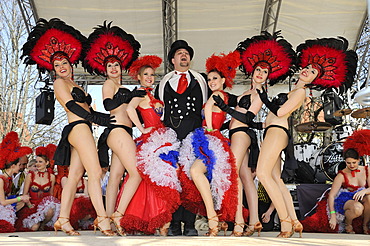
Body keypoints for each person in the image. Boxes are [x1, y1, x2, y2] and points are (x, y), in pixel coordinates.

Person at [256, 36, 357, 238]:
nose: (307, 71)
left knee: (262, 173)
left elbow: (282, 111)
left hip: (277, 132)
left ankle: (284, 223)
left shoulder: (301, 92)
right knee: (276, 178)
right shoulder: (295, 90)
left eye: (313, 72)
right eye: (308, 67)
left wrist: (263, 96)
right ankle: (294, 221)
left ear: (314, 80)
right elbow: (275, 114)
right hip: (274, 130)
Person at [22, 18, 115, 236]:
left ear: (71, 63)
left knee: (74, 177)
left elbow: (85, 107)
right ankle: (102, 219)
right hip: (78, 128)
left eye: (64, 63)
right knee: (94, 173)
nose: (62, 67)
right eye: (57, 65)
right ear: (52, 69)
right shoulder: (59, 83)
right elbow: (71, 105)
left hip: (83, 127)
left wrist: (101, 117)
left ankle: (63, 219)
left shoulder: (74, 83)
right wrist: (97, 119)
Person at [83, 21, 143, 236]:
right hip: (116, 130)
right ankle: (118, 214)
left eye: (116, 65)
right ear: (105, 70)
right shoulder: (109, 84)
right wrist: (127, 96)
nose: (113, 68)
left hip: (123, 132)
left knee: (116, 177)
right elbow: (108, 105)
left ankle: (107, 219)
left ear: (122, 67)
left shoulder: (122, 86)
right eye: (109, 66)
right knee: (136, 174)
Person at [115, 55, 181, 235]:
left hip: (162, 139)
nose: (150, 77)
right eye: (146, 74)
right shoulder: (141, 92)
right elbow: (130, 109)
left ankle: (159, 219)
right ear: (139, 77)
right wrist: (142, 129)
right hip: (151, 140)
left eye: (152, 75)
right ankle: (128, 215)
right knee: (151, 181)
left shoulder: (151, 94)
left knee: (157, 181)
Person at [179, 51, 240, 236]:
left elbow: (206, 108)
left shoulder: (216, 96)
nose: (211, 82)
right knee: (208, 178)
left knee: (195, 171)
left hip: (210, 139)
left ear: (223, 80)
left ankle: (213, 218)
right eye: (209, 79)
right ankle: (216, 218)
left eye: (215, 78)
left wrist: (211, 129)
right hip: (213, 139)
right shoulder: (225, 97)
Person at [155, 40, 208, 236]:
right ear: (173, 59)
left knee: (191, 179)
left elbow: (207, 108)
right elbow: (158, 111)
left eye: (186, 53)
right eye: (179, 53)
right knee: (175, 179)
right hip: (173, 134)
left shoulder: (200, 80)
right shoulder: (165, 82)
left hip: (194, 134)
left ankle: (191, 223)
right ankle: (175, 223)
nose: (183, 56)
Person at [329, 129, 370, 234]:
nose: (351, 165)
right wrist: (333, 215)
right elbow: (331, 196)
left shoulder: (366, 170)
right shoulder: (341, 175)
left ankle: (365, 225)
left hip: (363, 198)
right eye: (348, 163)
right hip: (348, 201)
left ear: (359, 160)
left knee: (369, 197)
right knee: (357, 208)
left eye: (354, 162)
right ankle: (348, 223)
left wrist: (364, 191)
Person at [17, 144, 60, 231]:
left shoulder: (51, 176)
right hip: (32, 206)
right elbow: (25, 194)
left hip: (45, 207)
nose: (37, 164)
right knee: (34, 227)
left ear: (47, 163)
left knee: (50, 210)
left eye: (40, 162)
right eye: (36, 162)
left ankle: (43, 224)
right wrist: (29, 205)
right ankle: (38, 224)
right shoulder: (30, 175)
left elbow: (51, 196)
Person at [0, 131, 32, 233]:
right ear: (13, 166)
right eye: (19, 165)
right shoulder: (1, 180)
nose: (21, 167)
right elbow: (3, 202)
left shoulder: (8, 179)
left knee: (21, 202)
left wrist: (22, 200)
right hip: (2, 206)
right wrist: (20, 197)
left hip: (4, 207)